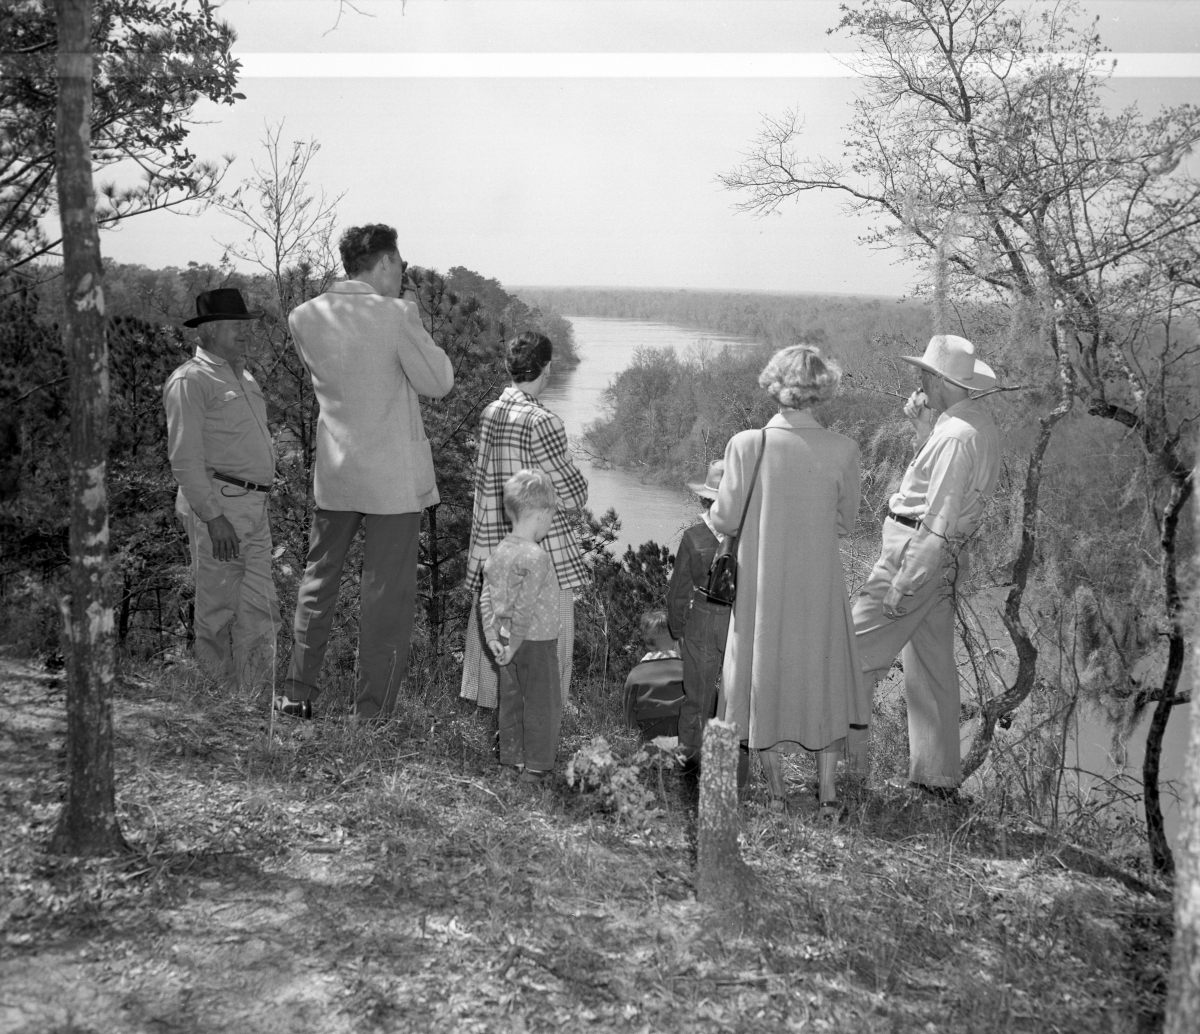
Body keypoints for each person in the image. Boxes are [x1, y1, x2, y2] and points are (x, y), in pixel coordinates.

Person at [277, 224, 454, 721]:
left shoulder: (304, 316)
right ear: (382, 263)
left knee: (318, 580)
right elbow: (438, 381)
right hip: (392, 484)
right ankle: (370, 712)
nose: (402, 275)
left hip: (337, 474)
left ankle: (297, 691)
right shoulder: (397, 315)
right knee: (385, 598)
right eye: (399, 266)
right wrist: (412, 318)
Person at [711, 344, 865, 819]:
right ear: (824, 389)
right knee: (824, 680)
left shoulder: (746, 445)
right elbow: (847, 522)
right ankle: (828, 797)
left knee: (761, 678)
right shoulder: (844, 450)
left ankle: (776, 794)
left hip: (763, 586)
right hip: (818, 586)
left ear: (775, 385)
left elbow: (725, 517)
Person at [851, 334, 1000, 794]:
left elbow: (936, 516)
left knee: (849, 650)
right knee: (933, 669)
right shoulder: (972, 422)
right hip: (943, 559)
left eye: (923, 373)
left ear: (938, 379)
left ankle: (842, 770)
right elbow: (939, 491)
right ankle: (937, 781)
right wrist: (922, 430)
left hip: (916, 555)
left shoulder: (956, 436)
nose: (917, 379)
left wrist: (903, 581)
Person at [461, 331, 588, 710]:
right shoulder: (542, 421)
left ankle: (495, 720)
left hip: (495, 547)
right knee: (547, 643)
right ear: (546, 368)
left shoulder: (490, 413)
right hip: (540, 551)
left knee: (495, 633)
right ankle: (536, 727)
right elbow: (572, 494)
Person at [164, 288, 280, 694]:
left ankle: (255, 702)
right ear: (208, 331)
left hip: (254, 506)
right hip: (220, 508)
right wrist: (213, 518)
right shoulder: (190, 381)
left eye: (245, 324)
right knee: (216, 610)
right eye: (236, 325)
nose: (245, 332)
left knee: (260, 608)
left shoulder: (241, 374)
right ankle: (214, 699)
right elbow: (184, 460)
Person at [481, 469, 564, 783]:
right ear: (542, 515)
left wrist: (494, 638)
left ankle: (512, 760)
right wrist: (515, 642)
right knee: (543, 704)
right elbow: (526, 608)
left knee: (513, 701)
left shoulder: (500, 552)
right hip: (536, 643)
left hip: (505, 641)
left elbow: (486, 598)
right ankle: (536, 767)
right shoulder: (537, 556)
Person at [666, 459, 732, 769]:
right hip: (739, 622)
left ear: (704, 498)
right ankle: (728, 761)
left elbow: (679, 592)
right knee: (734, 697)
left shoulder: (694, 537)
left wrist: (678, 631)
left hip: (704, 618)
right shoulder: (749, 536)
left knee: (697, 696)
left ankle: (689, 758)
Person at [622, 610, 685, 741]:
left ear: (647, 644)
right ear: (677, 641)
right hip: (684, 733)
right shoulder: (687, 670)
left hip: (651, 735)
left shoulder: (635, 675)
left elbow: (629, 713)